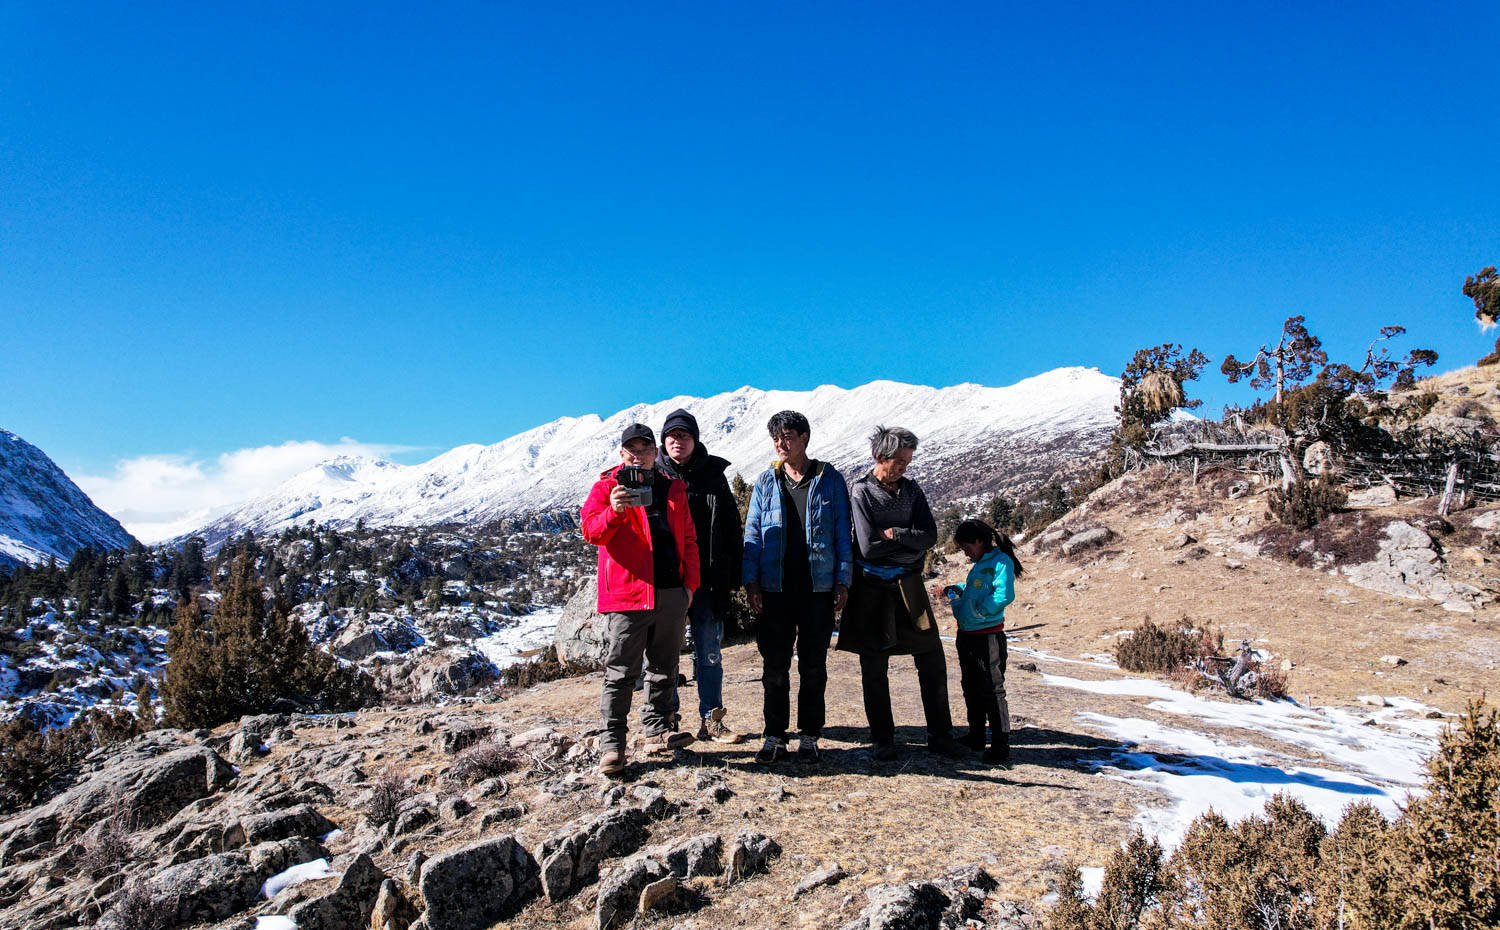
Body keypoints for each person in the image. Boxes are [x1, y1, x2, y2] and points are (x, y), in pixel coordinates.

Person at [580, 423, 701, 776]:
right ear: (621, 454)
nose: (638, 455)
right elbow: (591, 532)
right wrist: (614, 511)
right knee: (621, 673)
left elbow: (689, 539)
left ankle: (658, 730)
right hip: (628, 595)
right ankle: (612, 745)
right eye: (631, 449)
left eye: (645, 449)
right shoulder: (606, 487)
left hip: (670, 593)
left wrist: (689, 587)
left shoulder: (672, 488)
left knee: (665, 668)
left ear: (655, 452)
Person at [839, 426, 961, 760]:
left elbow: (930, 536)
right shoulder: (861, 491)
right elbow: (868, 546)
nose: (904, 467)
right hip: (872, 590)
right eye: (899, 461)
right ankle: (883, 740)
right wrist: (909, 543)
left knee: (932, 659)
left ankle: (940, 736)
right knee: (874, 666)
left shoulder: (911, 490)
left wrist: (895, 533)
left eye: (908, 461)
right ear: (880, 457)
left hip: (909, 587)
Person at [742, 410, 852, 764]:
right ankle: (774, 735)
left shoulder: (830, 479)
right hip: (775, 590)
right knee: (774, 666)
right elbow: (753, 535)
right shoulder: (765, 481)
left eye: (787, 435)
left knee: (813, 666)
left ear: (804, 437)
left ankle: (809, 736)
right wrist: (752, 581)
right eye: (775, 437)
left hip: (817, 590)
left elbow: (842, 534)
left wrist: (843, 579)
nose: (780, 443)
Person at [656, 408, 745, 744]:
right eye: (673, 435)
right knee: (666, 656)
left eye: (685, 435)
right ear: (664, 441)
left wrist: (734, 573)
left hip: (708, 579)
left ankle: (713, 720)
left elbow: (732, 527)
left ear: (695, 440)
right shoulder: (654, 474)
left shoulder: (713, 475)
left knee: (709, 653)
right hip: (669, 581)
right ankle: (670, 723)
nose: (678, 441)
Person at [941, 519, 1024, 766]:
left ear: (979, 541)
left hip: (987, 636)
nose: (965, 553)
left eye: (967, 547)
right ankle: (976, 736)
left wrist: (980, 612)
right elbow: (977, 588)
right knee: (971, 687)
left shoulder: (1000, 563)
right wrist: (957, 589)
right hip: (967, 635)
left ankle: (1000, 745)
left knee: (992, 690)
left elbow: (1004, 594)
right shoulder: (979, 565)